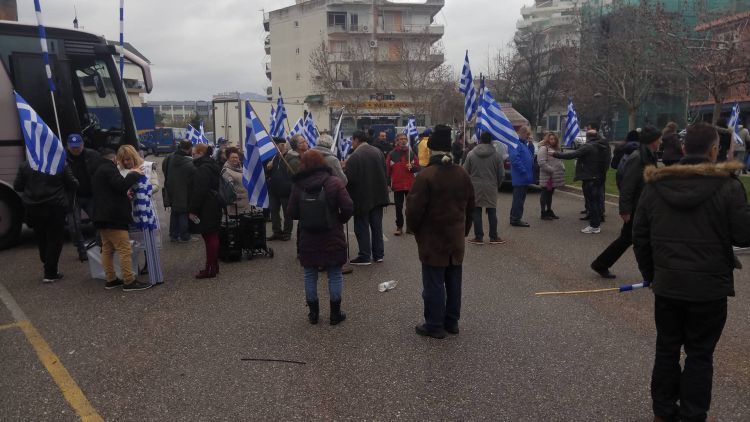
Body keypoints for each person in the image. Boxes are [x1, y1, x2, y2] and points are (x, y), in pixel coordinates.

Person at [633, 122, 750, 422]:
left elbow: (639, 237)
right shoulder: (728, 186)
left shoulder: (655, 186)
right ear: (714, 151)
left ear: (684, 149)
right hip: (707, 290)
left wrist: (652, 275)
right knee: (699, 354)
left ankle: (663, 411)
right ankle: (692, 415)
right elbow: (744, 234)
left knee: (668, 349)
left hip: (671, 285)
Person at [406, 124, 475, 339]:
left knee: (434, 283)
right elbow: (471, 205)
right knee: (454, 281)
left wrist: (413, 229)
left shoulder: (426, 176)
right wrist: (464, 230)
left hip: (433, 238)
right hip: (455, 237)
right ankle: (451, 321)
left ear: (432, 150)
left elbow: (414, 209)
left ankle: (434, 324)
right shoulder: (462, 173)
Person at [287, 150, 354, 326]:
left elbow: (291, 213)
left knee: (310, 274)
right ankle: (335, 313)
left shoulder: (298, 185)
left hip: (308, 235)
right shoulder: (334, 182)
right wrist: (339, 220)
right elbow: (348, 206)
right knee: (335, 274)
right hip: (332, 234)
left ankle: (314, 314)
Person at [590, 126, 660, 279]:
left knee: (634, 239)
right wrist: (625, 210)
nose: (660, 142)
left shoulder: (648, 155)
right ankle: (601, 264)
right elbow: (628, 185)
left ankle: (601, 264)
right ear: (653, 141)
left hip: (643, 206)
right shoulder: (638, 157)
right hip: (636, 207)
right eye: (658, 139)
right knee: (630, 239)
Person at [91, 149, 151, 291]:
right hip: (114, 217)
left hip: (102, 216)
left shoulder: (97, 169)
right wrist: (135, 173)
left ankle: (111, 279)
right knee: (124, 250)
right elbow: (121, 185)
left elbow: (112, 190)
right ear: (114, 159)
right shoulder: (108, 169)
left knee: (107, 249)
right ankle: (129, 280)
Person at [14, 159, 78, 283]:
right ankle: (50, 272)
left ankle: (47, 263)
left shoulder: (25, 165)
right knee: (55, 239)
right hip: (55, 206)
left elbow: (18, 186)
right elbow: (72, 183)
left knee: (41, 237)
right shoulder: (59, 164)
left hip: (34, 207)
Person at [554, 123, 611, 234]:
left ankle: (595, 225)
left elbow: (572, 155)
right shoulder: (604, 146)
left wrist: (555, 154)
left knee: (592, 202)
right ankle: (597, 221)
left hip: (590, 177)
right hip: (599, 176)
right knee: (597, 200)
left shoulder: (588, 146)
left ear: (588, 137)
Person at [344, 130, 390, 265]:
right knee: (377, 227)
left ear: (357, 140)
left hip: (362, 197)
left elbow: (349, 179)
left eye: (352, 140)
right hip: (379, 195)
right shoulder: (377, 152)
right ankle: (378, 254)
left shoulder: (355, 156)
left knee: (361, 227)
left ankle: (364, 256)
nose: (351, 143)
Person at [189, 143, 222, 279]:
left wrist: (193, 210)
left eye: (194, 154)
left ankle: (210, 268)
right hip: (213, 204)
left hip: (207, 206)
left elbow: (199, 191)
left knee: (210, 237)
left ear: (200, 153)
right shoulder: (211, 164)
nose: (192, 156)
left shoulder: (203, 168)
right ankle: (213, 266)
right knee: (212, 236)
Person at [64, 133, 100, 261]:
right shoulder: (62, 158)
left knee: (99, 221)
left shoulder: (93, 155)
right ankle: (81, 249)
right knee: (74, 226)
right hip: (73, 197)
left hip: (91, 195)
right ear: (68, 146)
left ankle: (98, 246)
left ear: (83, 145)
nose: (75, 149)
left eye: (78, 147)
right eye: (73, 147)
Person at [464, 132, 504, 244]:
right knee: (492, 211)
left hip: (475, 186)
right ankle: (493, 236)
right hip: (491, 185)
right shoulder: (497, 155)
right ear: (491, 141)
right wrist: (497, 184)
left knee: (476, 211)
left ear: (480, 140)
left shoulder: (471, 154)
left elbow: (465, 171)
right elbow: (501, 174)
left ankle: (478, 236)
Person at [162, 140, 196, 242]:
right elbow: (194, 178)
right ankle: (185, 236)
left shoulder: (169, 157)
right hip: (184, 191)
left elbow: (164, 168)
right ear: (190, 148)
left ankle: (173, 235)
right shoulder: (190, 162)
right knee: (183, 213)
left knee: (174, 212)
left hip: (171, 188)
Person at [386, 133, 419, 236]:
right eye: (401, 139)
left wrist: (412, 167)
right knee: (398, 208)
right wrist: (387, 184)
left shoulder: (412, 154)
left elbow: (418, 168)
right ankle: (399, 227)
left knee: (411, 207)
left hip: (410, 185)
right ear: (397, 141)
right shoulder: (392, 154)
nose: (403, 140)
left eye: (405, 139)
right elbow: (387, 170)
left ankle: (410, 227)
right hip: (398, 185)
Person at [267, 138, 294, 241]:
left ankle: (287, 232)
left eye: (276, 144)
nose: (274, 146)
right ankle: (277, 232)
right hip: (274, 190)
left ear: (282, 145)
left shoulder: (289, 157)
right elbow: (268, 174)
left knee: (287, 213)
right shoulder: (273, 157)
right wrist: (268, 169)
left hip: (286, 190)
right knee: (274, 212)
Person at [509, 126, 535, 227]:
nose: (529, 136)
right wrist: (523, 171)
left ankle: (515, 217)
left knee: (520, 199)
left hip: (524, 177)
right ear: (522, 133)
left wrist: (531, 144)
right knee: (518, 199)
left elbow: (531, 155)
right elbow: (515, 159)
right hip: (520, 177)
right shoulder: (516, 143)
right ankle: (515, 219)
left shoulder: (524, 144)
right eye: (528, 134)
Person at [536, 132, 565, 220]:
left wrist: (562, 167)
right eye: (551, 139)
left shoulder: (556, 149)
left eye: (554, 139)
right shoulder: (544, 148)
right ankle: (543, 212)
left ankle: (549, 210)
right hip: (547, 177)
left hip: (554, 177)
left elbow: (559, 160)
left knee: (550, 194)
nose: (553, 141)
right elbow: (541, 162)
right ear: (547, 139)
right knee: (545, 194)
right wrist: (551, 170)